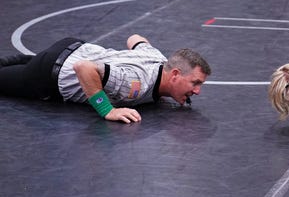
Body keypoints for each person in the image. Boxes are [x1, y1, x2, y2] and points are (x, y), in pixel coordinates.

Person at [0, 34, 212, 123]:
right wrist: (107, 110)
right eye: (195, 83)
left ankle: (21, 60)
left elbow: (135, 38)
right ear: (174, 74)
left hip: (72, 46)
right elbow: (84, 68)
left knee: (18, 63)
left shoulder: (158, 59)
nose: (197, 91)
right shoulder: (134, 84)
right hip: (48, 74)